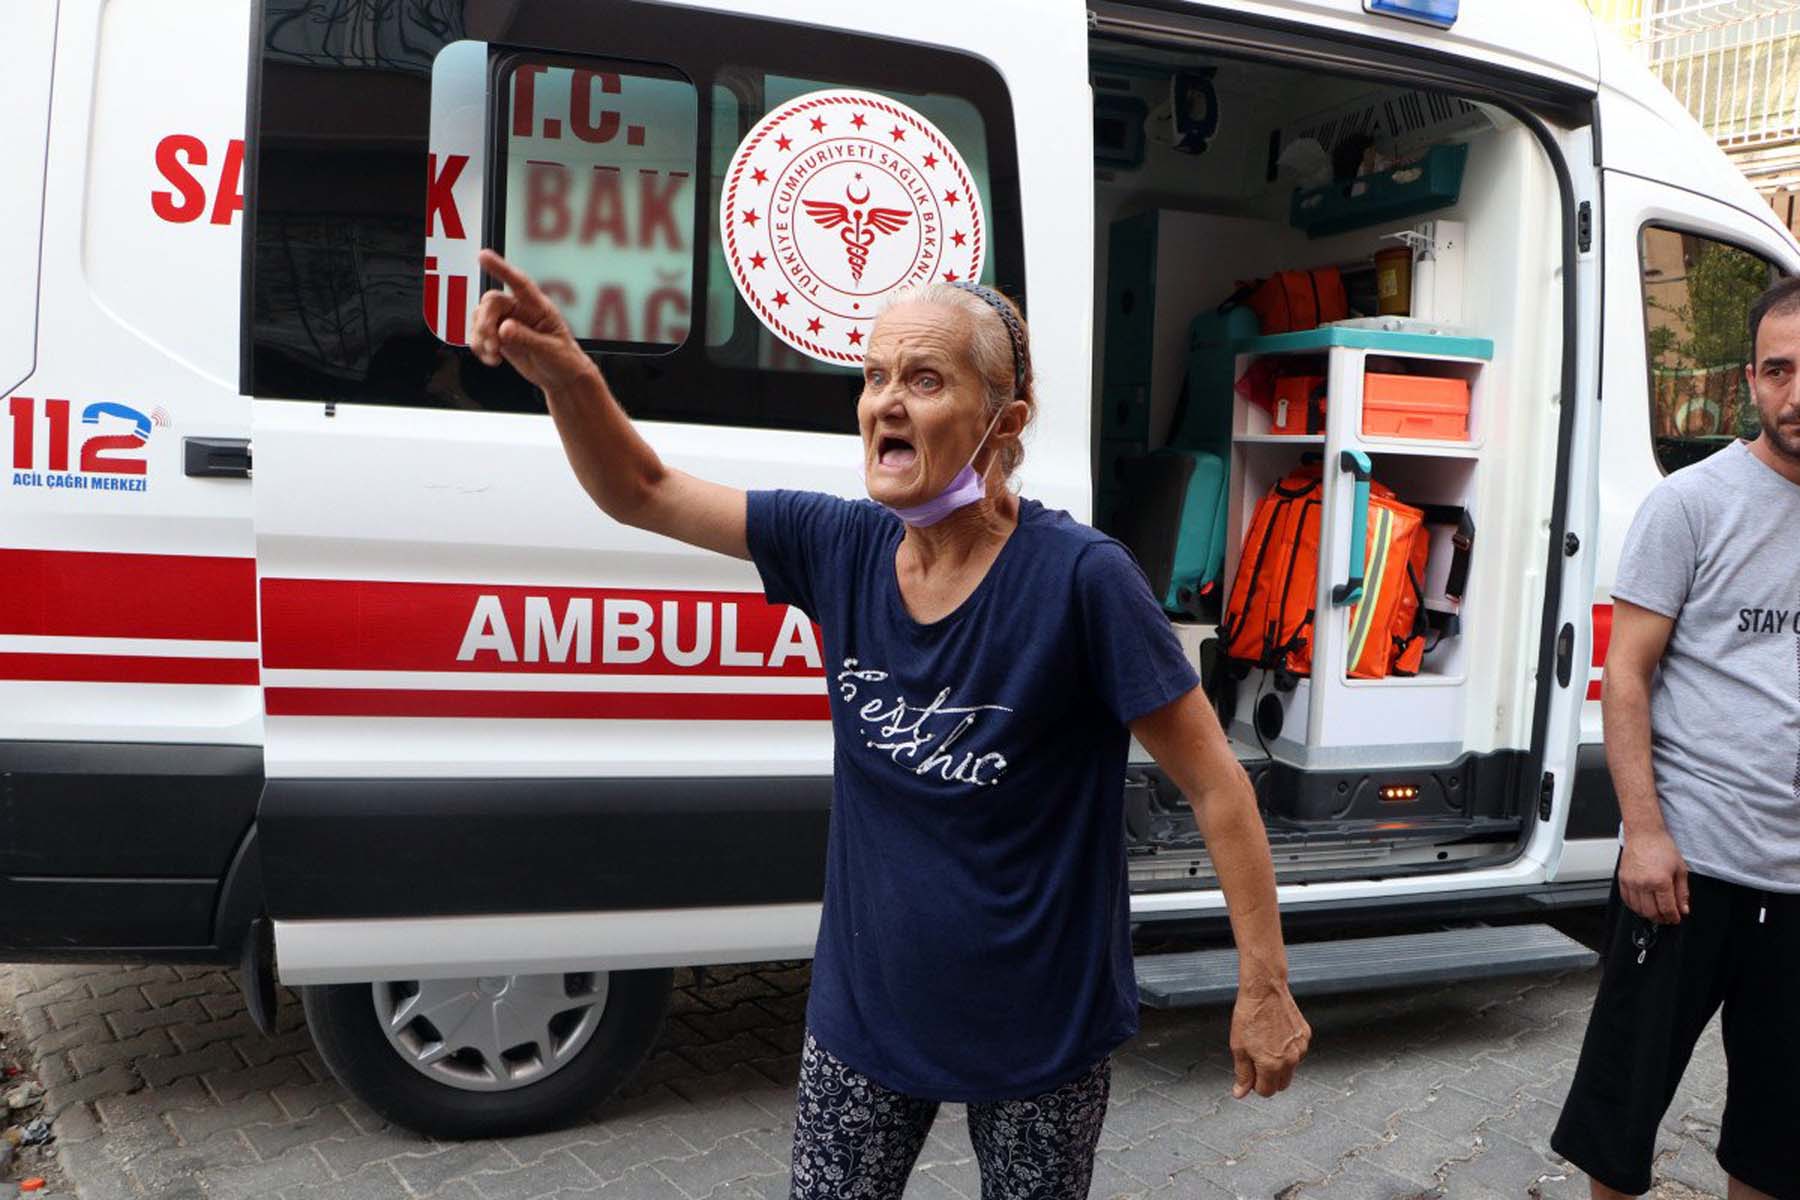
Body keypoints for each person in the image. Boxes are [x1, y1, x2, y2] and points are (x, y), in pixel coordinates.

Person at [469, 248, 1310, 1199]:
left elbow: (1215, 784)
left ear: (1004, 421)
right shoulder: (838, 545)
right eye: (874, 377)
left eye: (924, 379)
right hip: (865, 1018)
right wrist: (571, 380)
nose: (886, 404)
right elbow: (643, 490)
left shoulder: (1082, 580)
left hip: (1039, 1027)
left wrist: (1264, 986)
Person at [1551, 276, 1800, 1200]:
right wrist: (1644, 834)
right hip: (1687, 871)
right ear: (1751, 380)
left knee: (1778, 1142)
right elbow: (1626, 673)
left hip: (1796, 885)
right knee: (1620, 1123)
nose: (1795, 393)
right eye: (1778, 370)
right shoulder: (1691, 504)